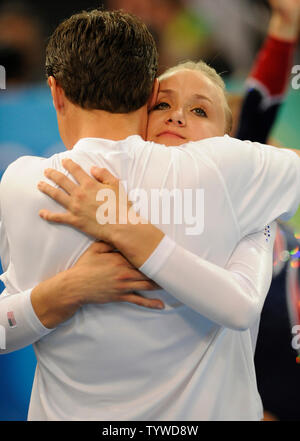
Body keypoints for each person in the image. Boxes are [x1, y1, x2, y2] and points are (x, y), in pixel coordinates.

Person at [0, 8, 300, 421]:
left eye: (200, 111)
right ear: (144, 105)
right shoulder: (231, 177)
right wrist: (70, 288)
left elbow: (242, 307)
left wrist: (127, 231)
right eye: (164, 104)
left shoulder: (23, 181)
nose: (177, 117)